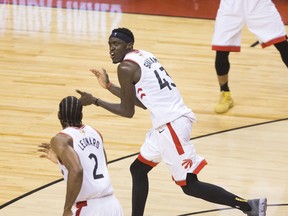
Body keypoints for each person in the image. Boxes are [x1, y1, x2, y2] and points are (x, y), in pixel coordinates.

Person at [76, 27, 267, 216]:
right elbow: (143, 102)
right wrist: (109, 86)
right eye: (110, 44)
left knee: (189, 185)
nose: (111, 49)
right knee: (138, 169)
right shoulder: (144, 56)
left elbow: (128, 111)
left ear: (129, 45)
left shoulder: (125, 68)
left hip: (171, 125)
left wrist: (95, 101)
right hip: (166, 123)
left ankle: (249, 206)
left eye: (116, 44)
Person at [38, 96, 124, 216]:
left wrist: (67, 209)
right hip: (113, 205)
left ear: (59, 115)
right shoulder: (95, 132)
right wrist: (62, 161)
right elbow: (101, 165)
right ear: (81, 115)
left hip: (89, 208)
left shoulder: (60, 139)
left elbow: (77, 170)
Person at [212, 0, 288, 114]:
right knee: (221, 50)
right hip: (231, 6)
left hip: (259, 5)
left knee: (282, 44)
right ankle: (225, 93)